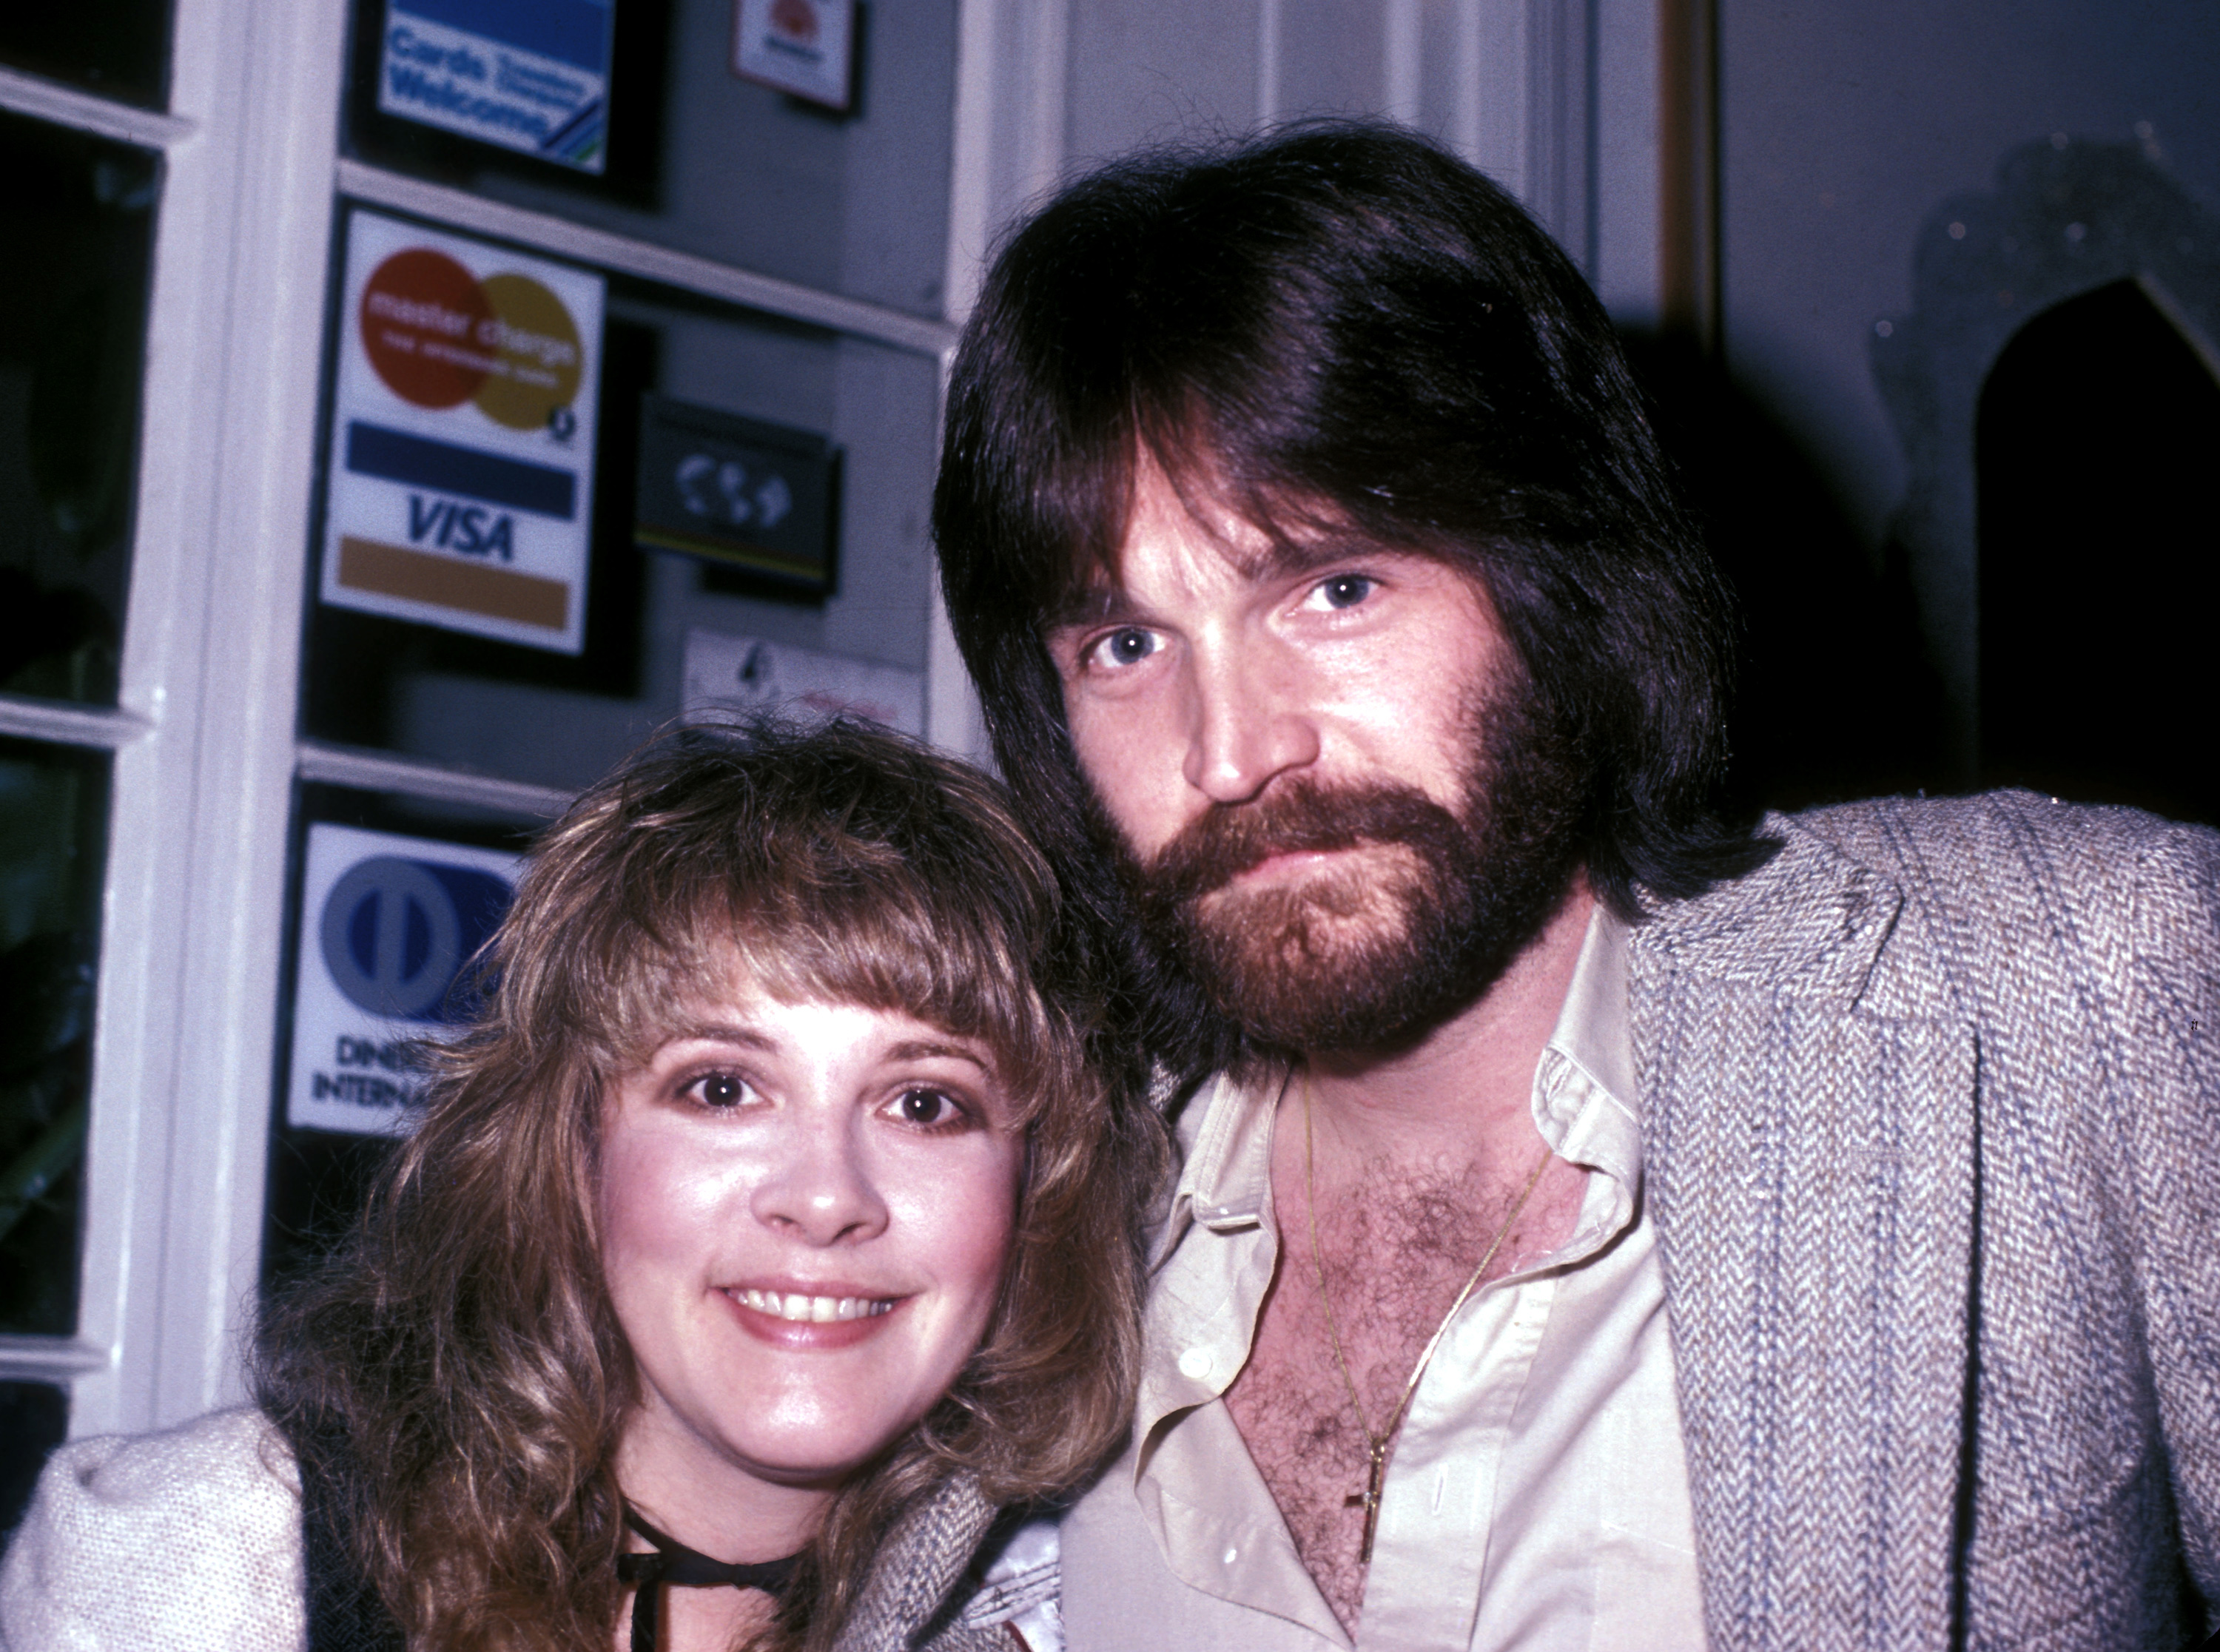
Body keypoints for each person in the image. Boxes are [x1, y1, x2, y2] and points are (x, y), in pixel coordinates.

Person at [932, 121, 2220, 1650]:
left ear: (1561, 582)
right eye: (1126, 645)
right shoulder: (987, 1199)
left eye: (1335, 588)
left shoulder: (2086, 987)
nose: (1229, 752)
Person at [0, 720, 1163, 1652]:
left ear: (1038, 1187)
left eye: (925, 1102)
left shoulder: (1081, 1606)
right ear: (572, 1148)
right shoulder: (213, 1566)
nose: (824, 1197)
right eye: (721, 1088)